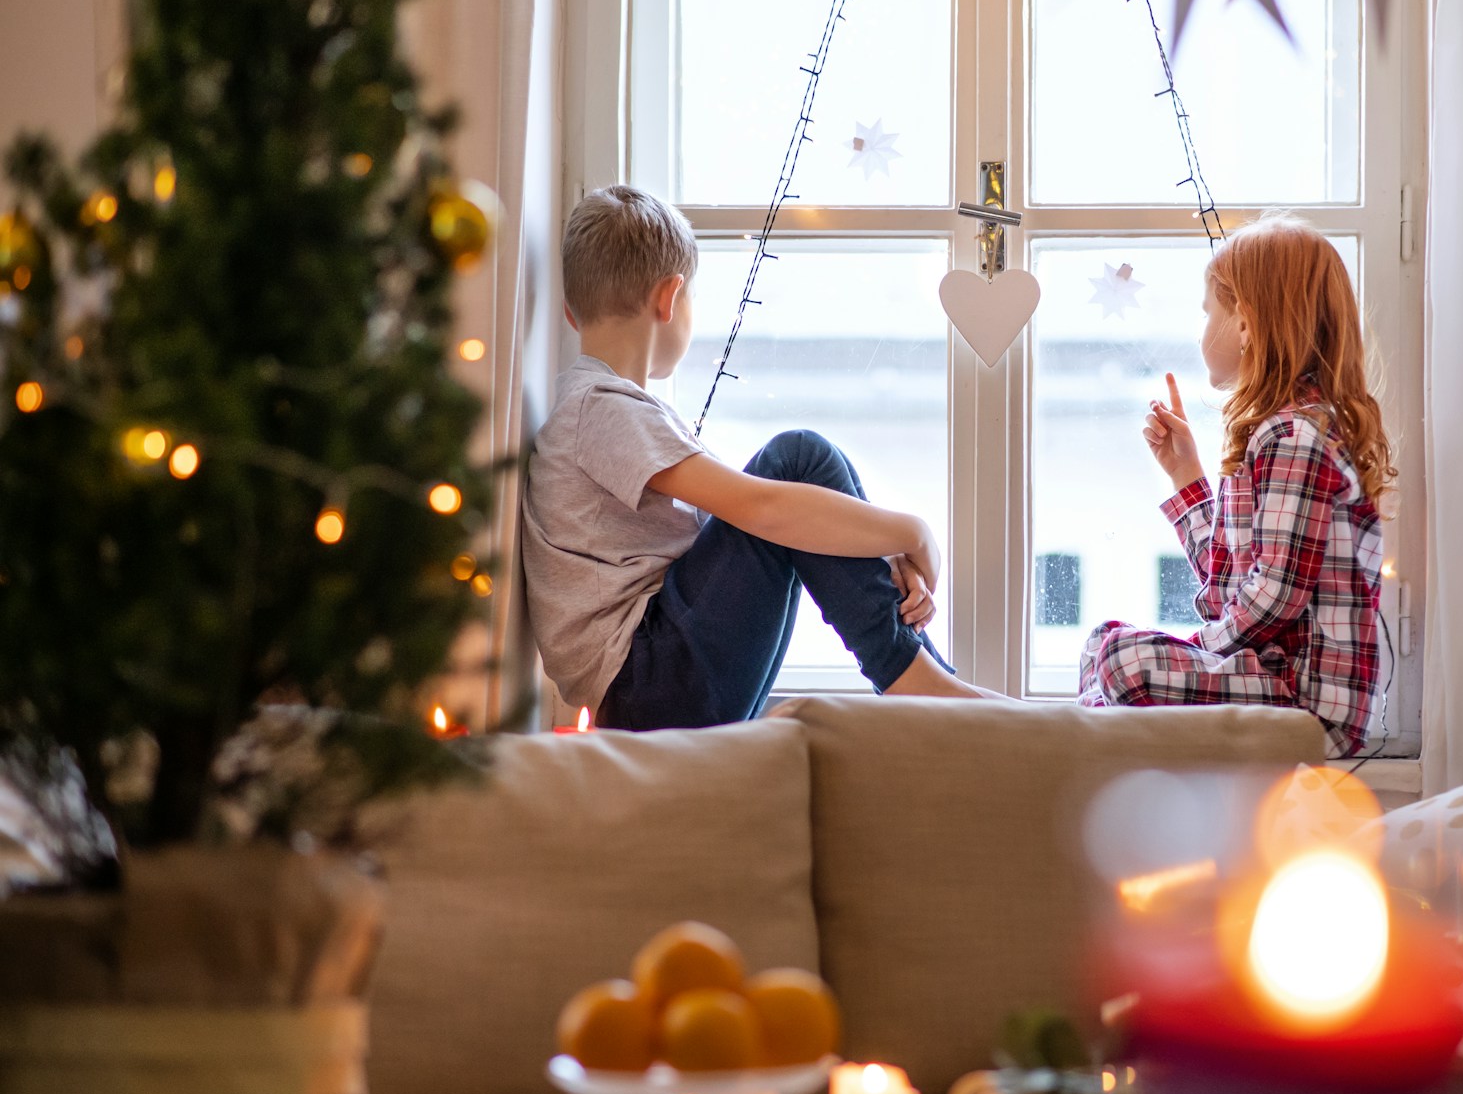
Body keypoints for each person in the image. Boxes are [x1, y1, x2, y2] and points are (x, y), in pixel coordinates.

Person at [524, 185, 1000, 730]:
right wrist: (911, 532)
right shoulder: (602, 410)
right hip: (647, 682)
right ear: (670, 297)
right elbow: (759, 508)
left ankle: (924, 676)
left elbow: (776, 519)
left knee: (804, 488)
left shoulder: (601, 410)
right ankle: (918, 681)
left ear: (569, 312)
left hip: (655, 682)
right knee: (798, 458)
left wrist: (872, 548)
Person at [1077, 212, 1394, 757]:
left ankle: (1096, 769)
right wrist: (1185, 473)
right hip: (1271, 678)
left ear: (1245, 324)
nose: (1202, 330)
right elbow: (1230, 581)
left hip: (1306, 705)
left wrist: (1198, 646)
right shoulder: (1275, 433)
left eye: (1209, 313)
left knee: (1120, 660)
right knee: (1102, 644)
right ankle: (1102, 764)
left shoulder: (1296, 435)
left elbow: (1272, 597)